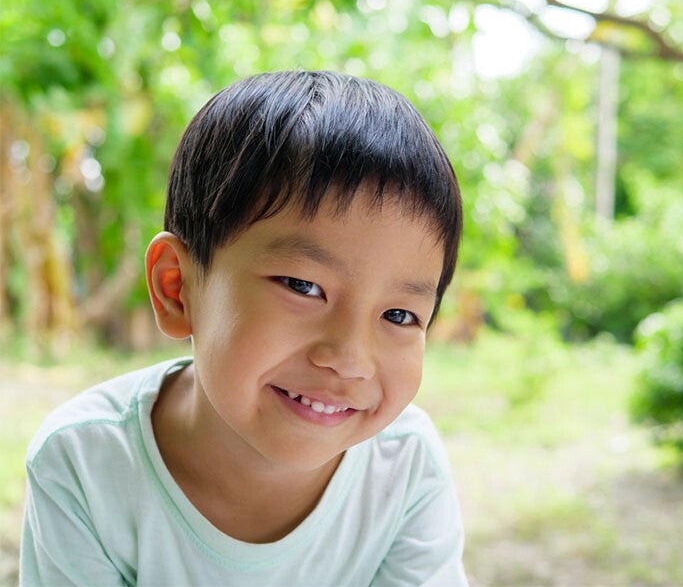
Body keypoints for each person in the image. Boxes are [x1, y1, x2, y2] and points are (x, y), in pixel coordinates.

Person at [20, 71, 467, 586]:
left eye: (398, 315)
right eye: (302, 286)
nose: (349, 356)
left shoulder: (405, 466)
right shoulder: (84, 465)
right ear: (176, 288)